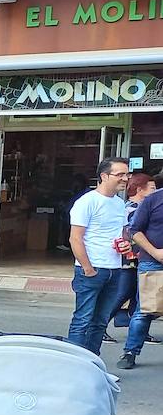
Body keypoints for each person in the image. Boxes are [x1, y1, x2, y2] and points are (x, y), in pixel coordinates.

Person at [67, 158, 129, 355]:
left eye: (127, 174)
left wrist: (126, 245)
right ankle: (74, 364)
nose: (125, 179)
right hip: (92, 270)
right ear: (104, 176)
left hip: (115, 269)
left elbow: (120, 234)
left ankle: (92, 362)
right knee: (82, 319)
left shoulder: (120, 204)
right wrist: (88, 268)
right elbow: (75, 238)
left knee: (101, 321)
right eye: (120, 174)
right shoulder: (87, 202)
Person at [107, 172, 156, 345]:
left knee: (138, 296)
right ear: (139, 189)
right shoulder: (131, 209)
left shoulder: (144, 206)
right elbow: (131, 233)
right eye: (152, 188)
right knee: (123, 294)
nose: (155, 191)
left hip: (139, 258)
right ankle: (100, 325)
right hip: (130, 259)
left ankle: (139, 332)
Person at [121, 171, 163, 369]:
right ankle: (130, 352)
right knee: (144, 310)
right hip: (153, 261)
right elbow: (134, 230)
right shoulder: (153, 200)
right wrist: (154, 252)